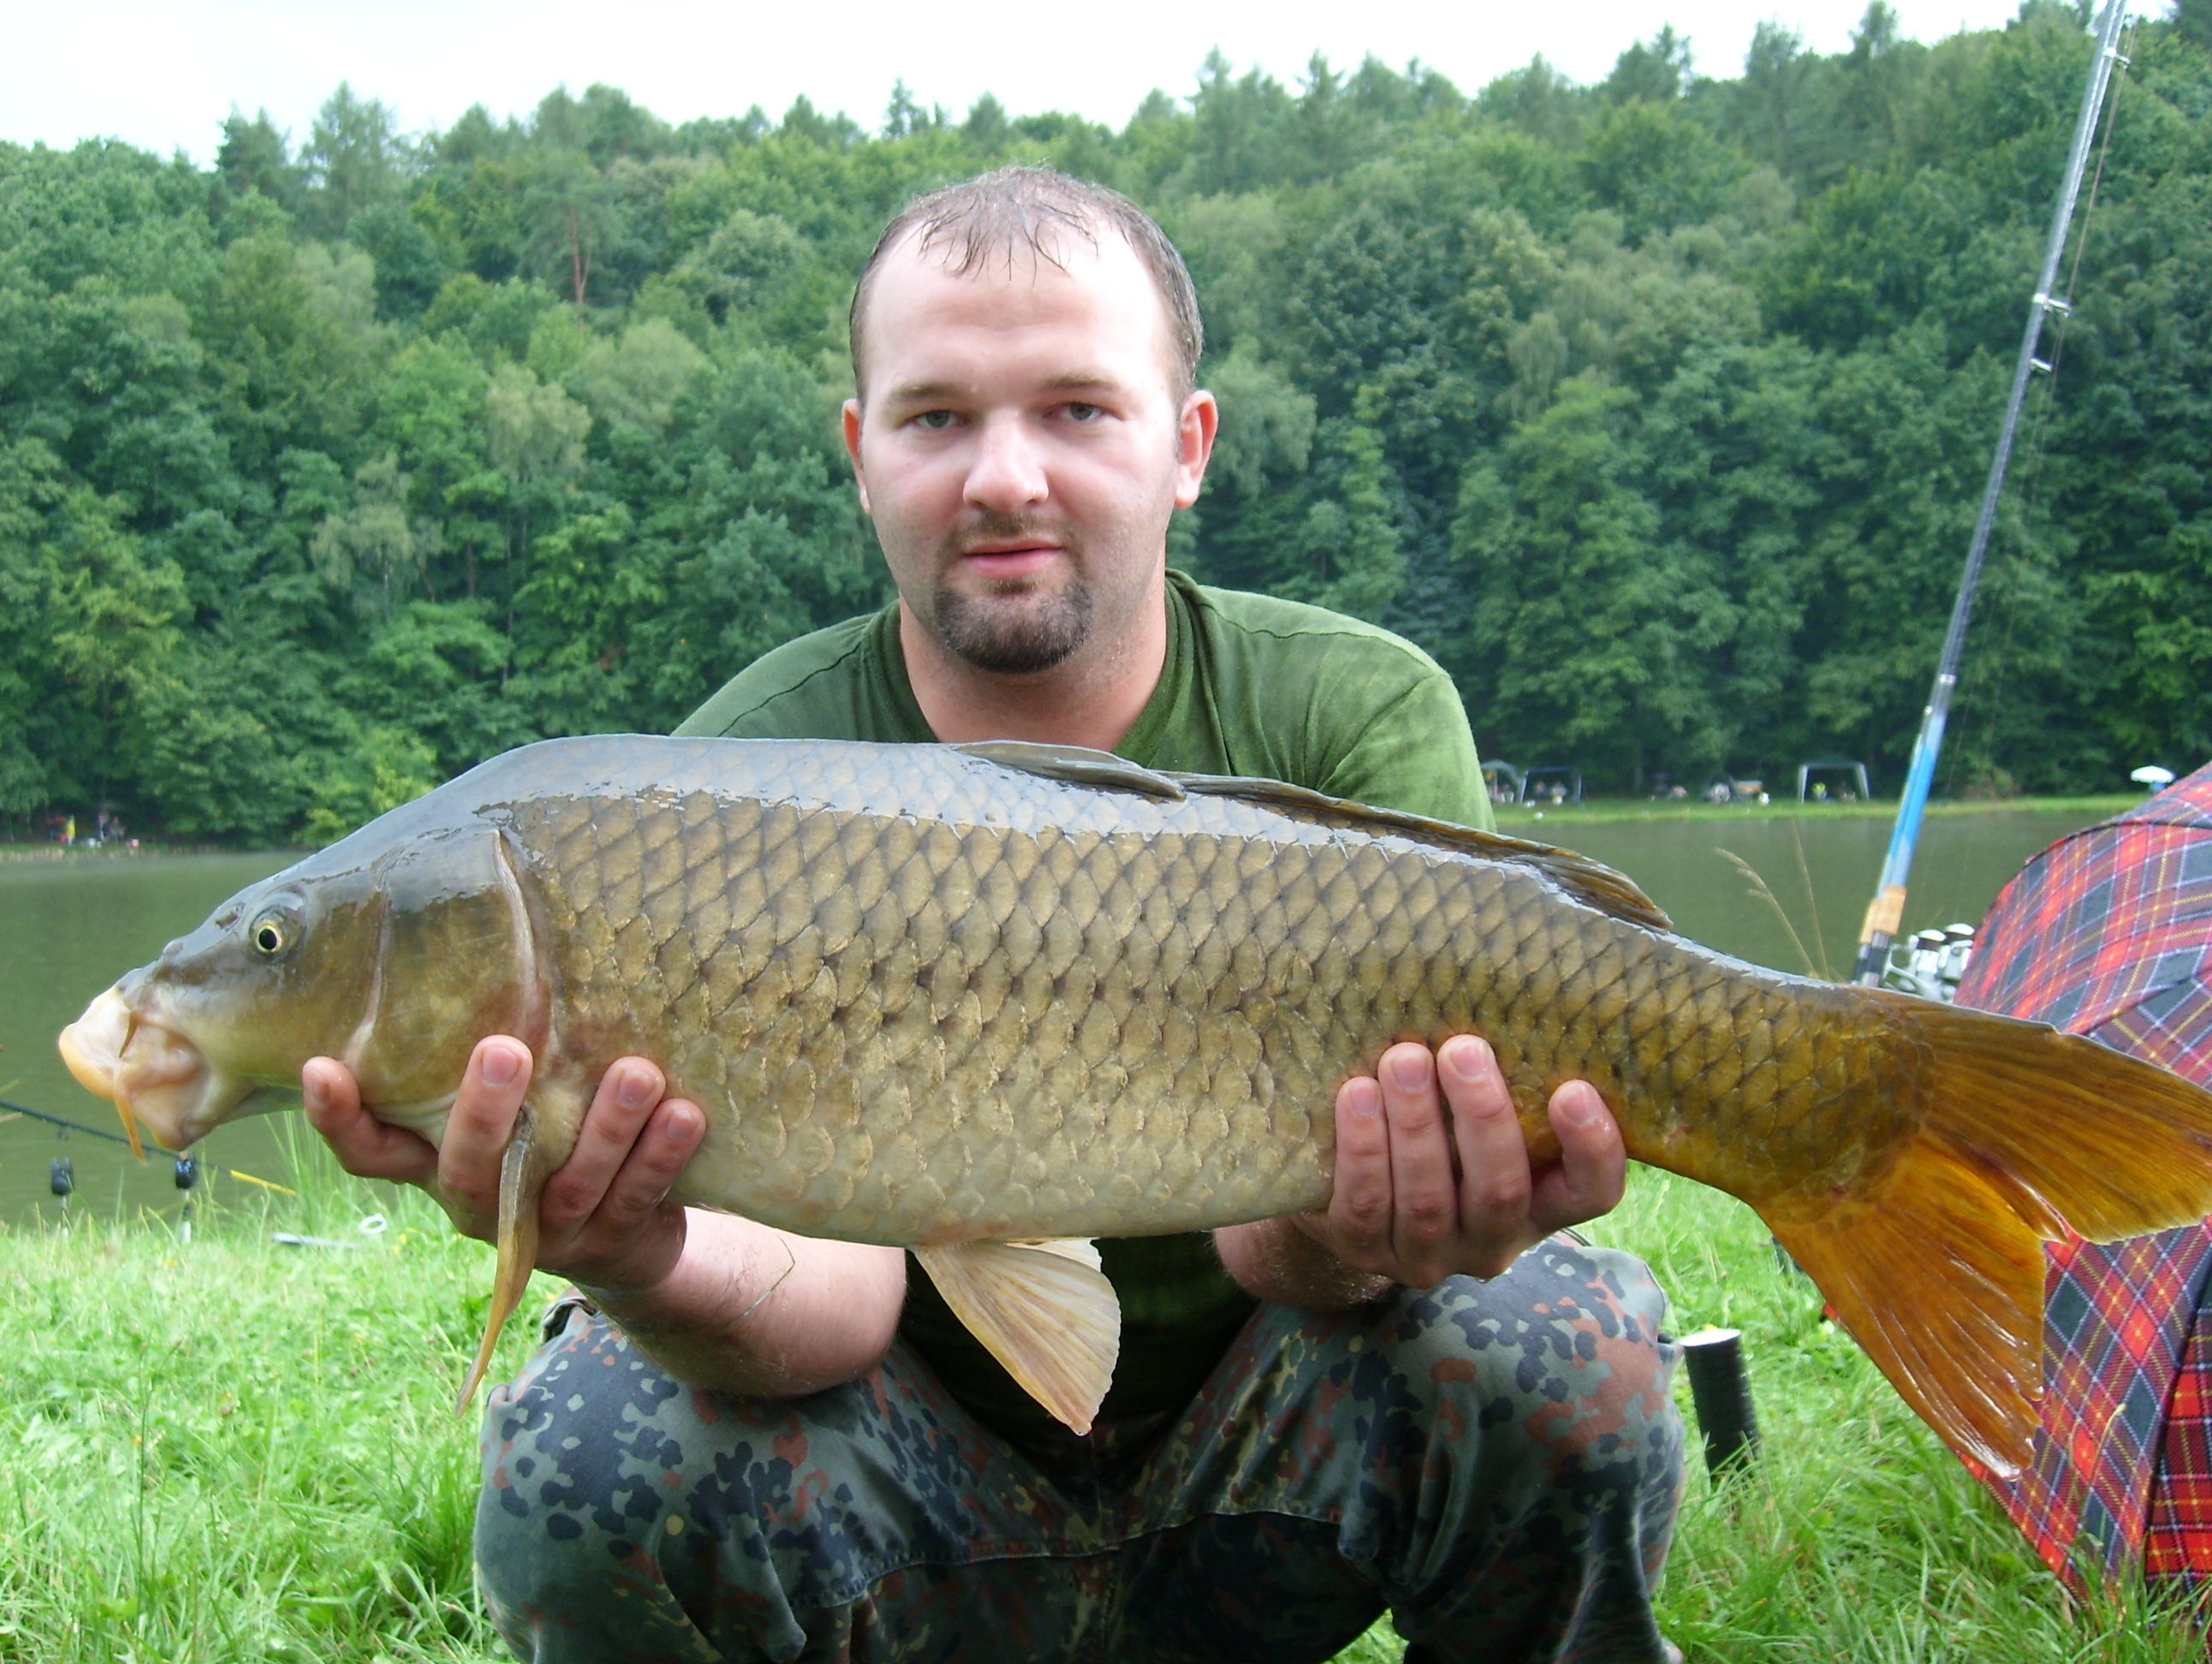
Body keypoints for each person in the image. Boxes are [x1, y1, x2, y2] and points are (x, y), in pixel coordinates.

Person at [303, 168, 1683, 1663]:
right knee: (588, 1442)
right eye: (936, 417)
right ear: (861, 453)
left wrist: (1361, 1224)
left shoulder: (1353, 712)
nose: (1004, 477)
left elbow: (1285, 1261)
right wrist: (632, 1257)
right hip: (908, 1505)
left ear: (1188, 445)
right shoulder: (720, 791)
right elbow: (829, 1305)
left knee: (1556, 1341)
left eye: (1079, 410)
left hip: (1273, 1465)